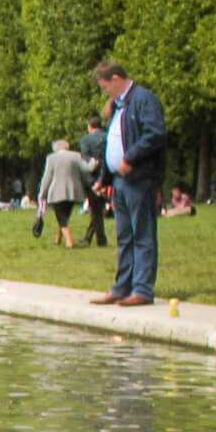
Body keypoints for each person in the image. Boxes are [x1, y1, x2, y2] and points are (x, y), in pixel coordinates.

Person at [88, 60, 167, 307]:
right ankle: (122, 287)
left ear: (116, 78)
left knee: (142, 234)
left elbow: (154, 133)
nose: (105, 93)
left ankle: (142, 289)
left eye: (105, 87)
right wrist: (105, 177)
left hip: (139, 179)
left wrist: (131, 159)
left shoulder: (144, 100)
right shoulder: (120, 106)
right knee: (125, 236)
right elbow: (113, 145)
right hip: (120, 181)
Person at [37, 138, 91, 249]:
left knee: (61, 216)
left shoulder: (51, 158)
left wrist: (42, 193)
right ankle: (58, 238)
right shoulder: (76, 155)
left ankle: (69, 241)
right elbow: (86, 169)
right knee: (65, 215)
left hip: (57, 191)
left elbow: (47, 177)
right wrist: (94, 162)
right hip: (73, 191)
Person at [78, 112, 110, 247]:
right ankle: (88, 237)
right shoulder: (108, 137)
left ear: (90, 126)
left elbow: (85, 158)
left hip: (92, 178)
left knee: (96, 210)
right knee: (98, 209)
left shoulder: (85, 140)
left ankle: (101, 240)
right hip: (107, 176)